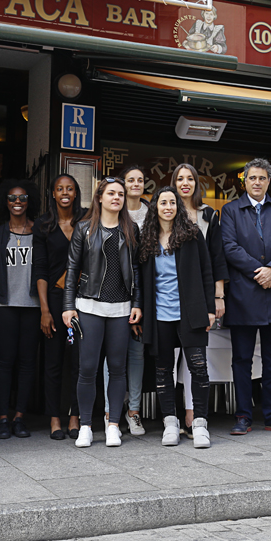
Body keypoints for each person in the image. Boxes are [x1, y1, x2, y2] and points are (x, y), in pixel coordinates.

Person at [221, 158, 271, 435]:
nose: (257, 182)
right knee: (242, 359)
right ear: (244, 180)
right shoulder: (230, 210)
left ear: (269, 181)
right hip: (245, 293)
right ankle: (243, 415)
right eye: (252, 178)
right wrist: (260, 272)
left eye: (262, 178)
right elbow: (229, 247)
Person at [63, 177, 142, 448]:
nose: (117, 198)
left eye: (120, 194)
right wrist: (67, 306)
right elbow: (72, 269)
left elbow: (137, 272)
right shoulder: (84, 228)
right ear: (99, 197)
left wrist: (137, 304)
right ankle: (85, 425)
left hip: (121, 308)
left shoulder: (130, 229)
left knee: (118, 369)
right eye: (111, 193)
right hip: (88, 307)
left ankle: (113, 425)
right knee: (87, 368)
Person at [138, 187, 215, 448]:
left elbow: (207, 272)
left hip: (190, 313)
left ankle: (200, 423)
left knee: (199, 368)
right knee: (163, 371)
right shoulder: (146, 238)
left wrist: (211, 309)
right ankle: (170, 423)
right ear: (155, 207)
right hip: (159, 314)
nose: (168, 206)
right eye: (163, 202)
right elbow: (140, 277)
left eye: (172, 202)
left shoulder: (192, 235)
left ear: (178, 207)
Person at [171, 163, 228, 435]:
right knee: (169, 360)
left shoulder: (208, 215)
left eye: (190, 178)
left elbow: (216, 258)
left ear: (196, 183)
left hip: (199, 295)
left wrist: (218, 296)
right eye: (180, 178)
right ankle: (172, 418)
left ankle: (194, 418)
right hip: (169, 294)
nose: (185, 183)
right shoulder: (166, 210)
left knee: (195, 359)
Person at [0, 179, 42, 439]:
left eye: (22, 198)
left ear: (29, 200)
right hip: (4, 306)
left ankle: (20, 416)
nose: (17, 202)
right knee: (4, 362)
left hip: (32, 306)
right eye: (12, 198)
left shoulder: (39, 231)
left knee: (27, 363)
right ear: (5, 202)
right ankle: (2, 417)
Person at [34, 174, 84, 440]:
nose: (65, 192)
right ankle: (55, 418)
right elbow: (40, 270)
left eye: (70, 188)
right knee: (53, 361)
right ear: (52, 193)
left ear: (76, 193)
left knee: (78, 361)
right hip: (53, 300)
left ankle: (75, 416)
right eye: (59, 188)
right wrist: (44, 310)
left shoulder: (87, 220)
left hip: (83, 300)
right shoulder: (43, 224)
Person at [104, 165, 149, 436]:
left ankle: (134, 411)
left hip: (140, 292)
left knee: (136, 353)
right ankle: (112, 412)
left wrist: (139, 301)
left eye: (139, 180)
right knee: (112, 356)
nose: (135, 184)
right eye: (129, 180)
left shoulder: (151, 213)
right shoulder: (111, 215)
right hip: (112, 296)